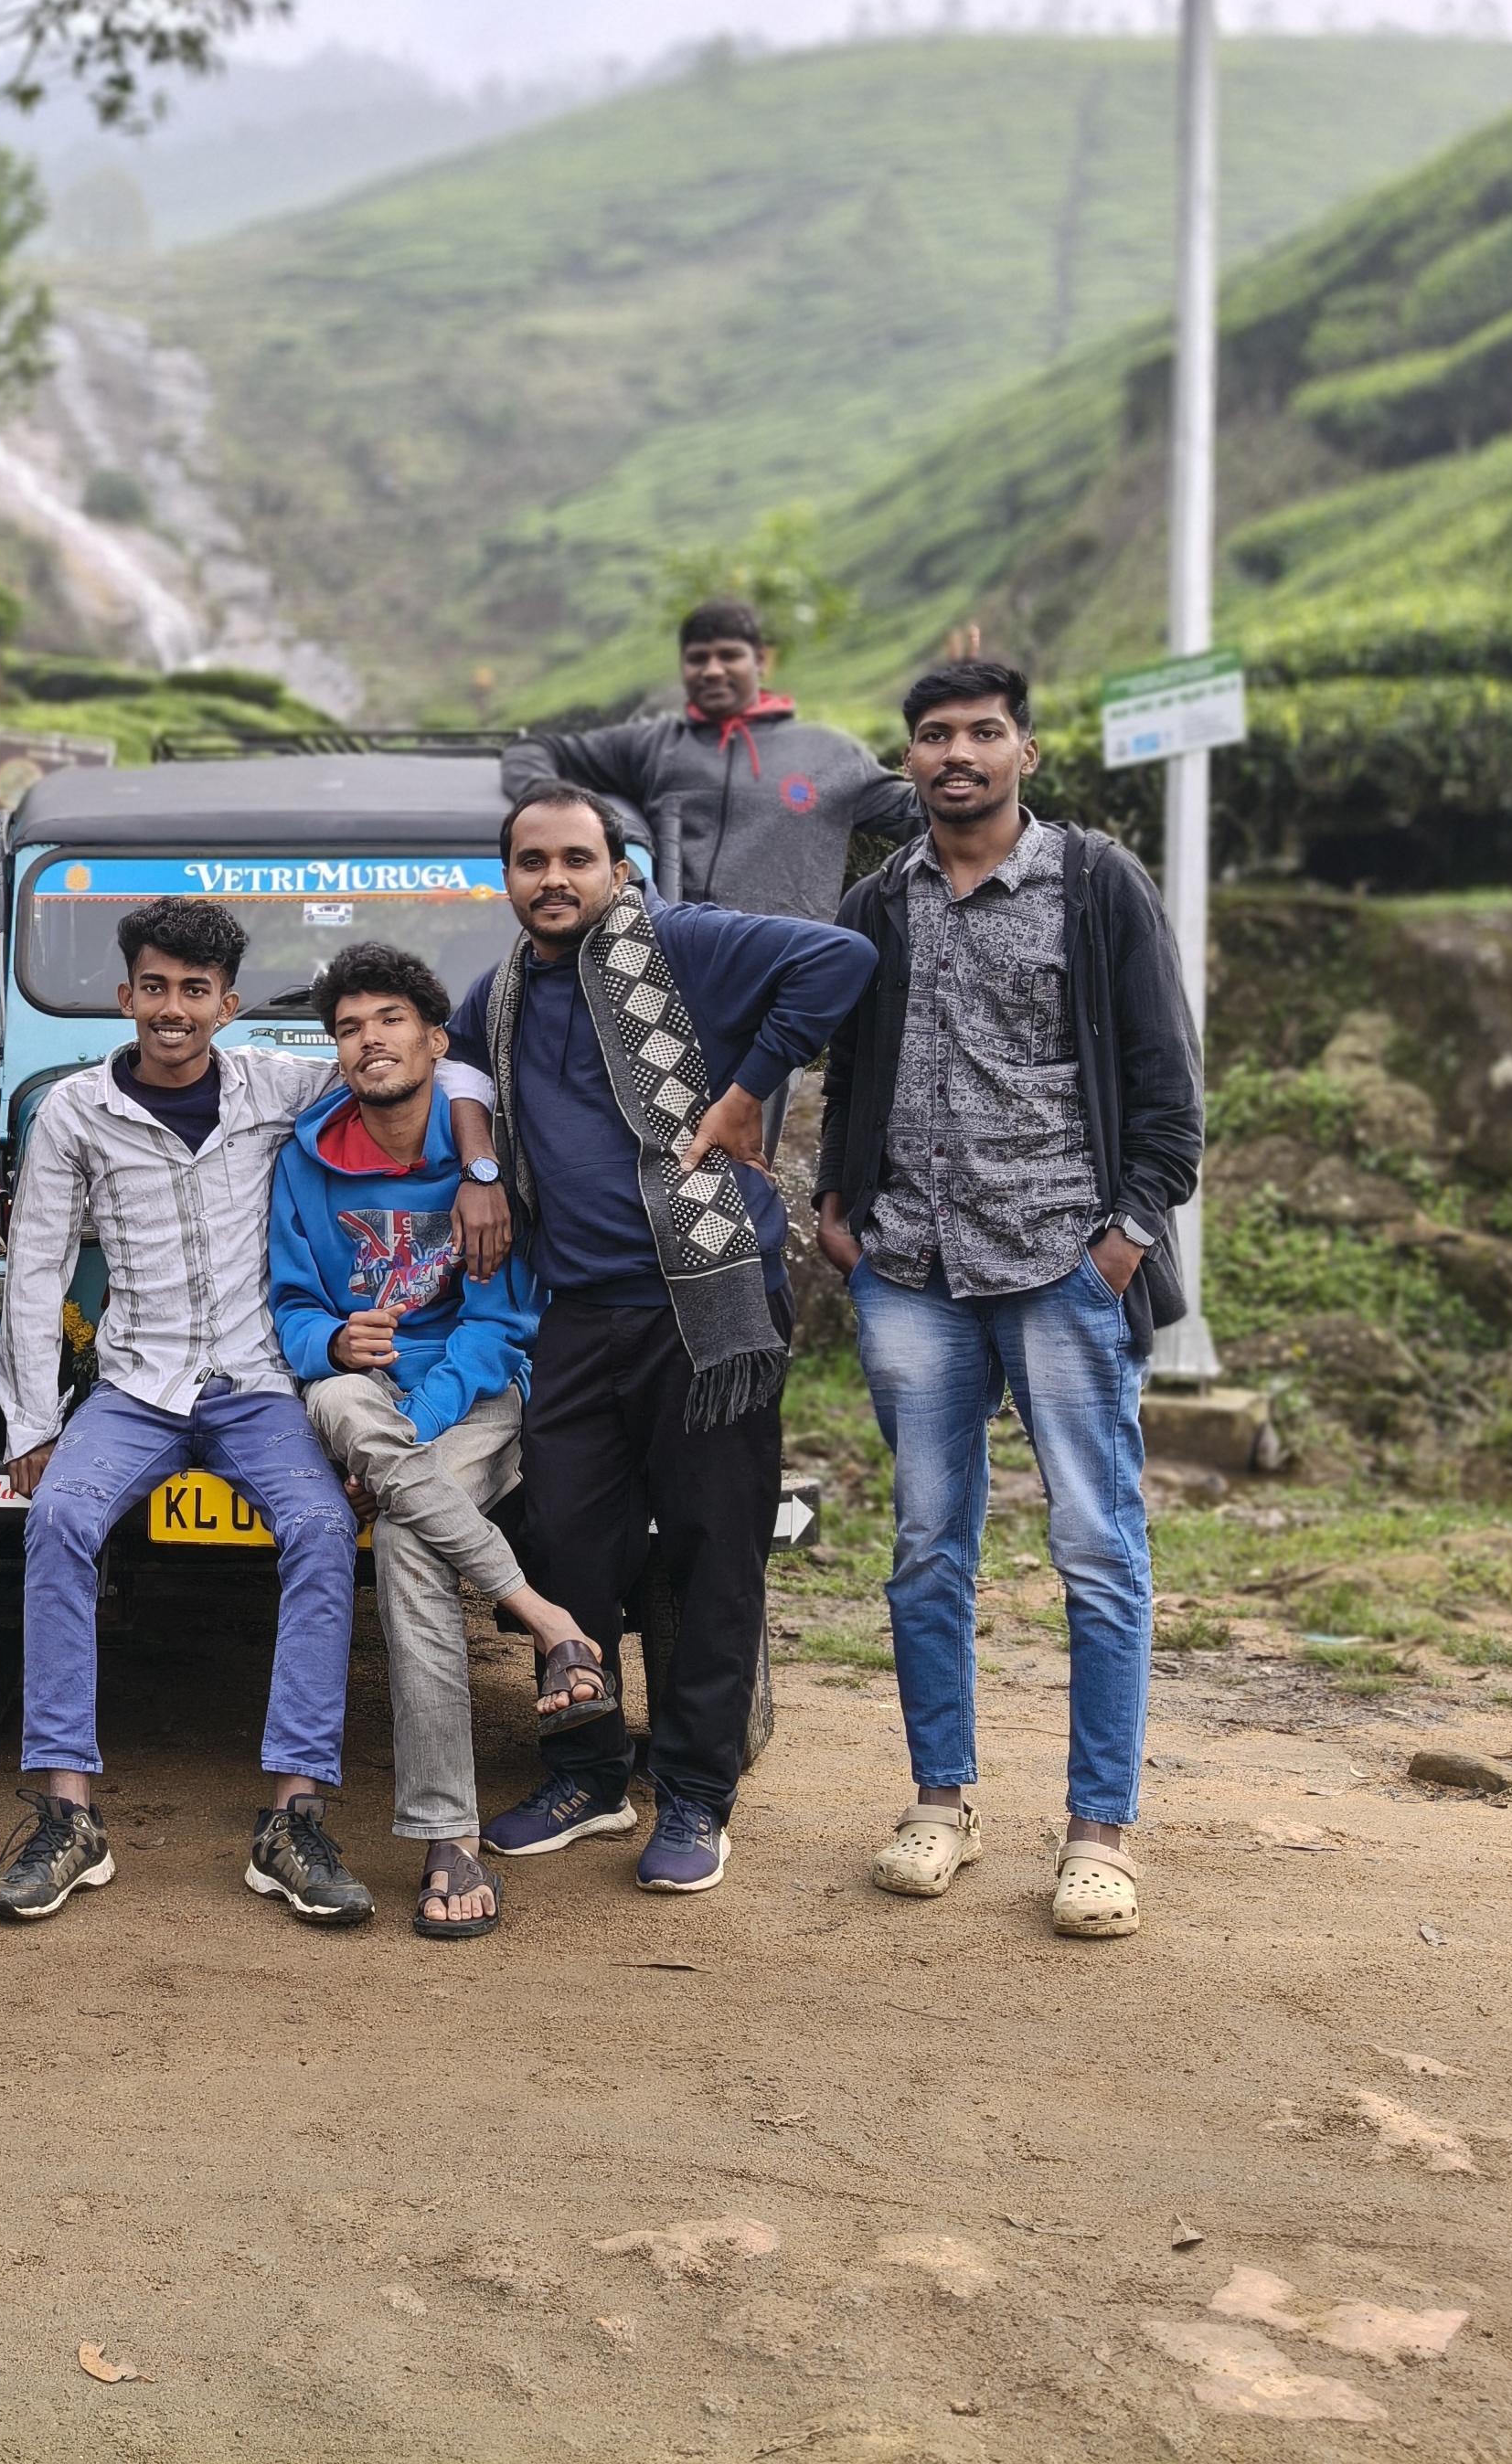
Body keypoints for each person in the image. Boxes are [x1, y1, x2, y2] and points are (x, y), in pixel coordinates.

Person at [0, 898, 501, 1928]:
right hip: (134, 1386)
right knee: (59, 1524)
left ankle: (293, 1820)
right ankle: (65, 1816)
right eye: (154, 988)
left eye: (194, 992)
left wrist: (481, 1165)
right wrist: (30, 1424)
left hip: (259, 1383)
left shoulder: (280, 1083)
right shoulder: (75, 1113)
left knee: (318, 1529)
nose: (171, 1011)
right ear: (125, 994)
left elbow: (433, 1070)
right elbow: (38, 1269)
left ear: (227, 1004)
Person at [815, 659, 1202, 1941]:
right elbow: (852, 1062)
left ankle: (1099, 1834)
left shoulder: (1095, 886)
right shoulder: (879, 903)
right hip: (911, 1269)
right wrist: (839, 1206)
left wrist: (1126, 1236)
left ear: (1026, 753)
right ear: (909, 762)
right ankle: (942, 1802)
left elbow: (1166, 1085)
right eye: (934, 736)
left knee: (1096, 1547)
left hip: (1061, 1267)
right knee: (929, 1543)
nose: (958, 753)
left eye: (984, 732)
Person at [449, 789, 875, 1895]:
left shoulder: (677, 943)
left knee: (709, 1551)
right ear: (506, 874)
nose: (553, 879)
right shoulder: (497, 996)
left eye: (575, 859)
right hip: (579, 1315)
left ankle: (693, 1793)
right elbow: (450, 1064)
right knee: (569, 1546)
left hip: (704, 1306)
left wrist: (747, 1090)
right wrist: (482, 1171)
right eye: (531, 860)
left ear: (616, 866)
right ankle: (586, 1775)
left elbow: (838, 959)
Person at [266, 941, 611, 1941]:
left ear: (433, 1039)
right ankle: (551, 1625)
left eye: (387, 1020)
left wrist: (404, 1437)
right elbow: (290, 1305)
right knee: (335, 1397)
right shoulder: (306, 1158)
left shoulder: (480, 1167)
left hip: (462, 1407)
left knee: (410, 1535)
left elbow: (499, 1323)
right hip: (353, 1394)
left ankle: (445, 1834)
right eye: (347, 1028)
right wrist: (331, 1337)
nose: (367, 1040)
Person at [497, 599, 916, 923]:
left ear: (761, 661)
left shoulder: (831, 753)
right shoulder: (654, 744)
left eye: (729, 655)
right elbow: (533, 751)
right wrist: (566, 818)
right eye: (698, 658)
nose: (712, 671)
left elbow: (920, 814)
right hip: (682, 970)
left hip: (788, 972)